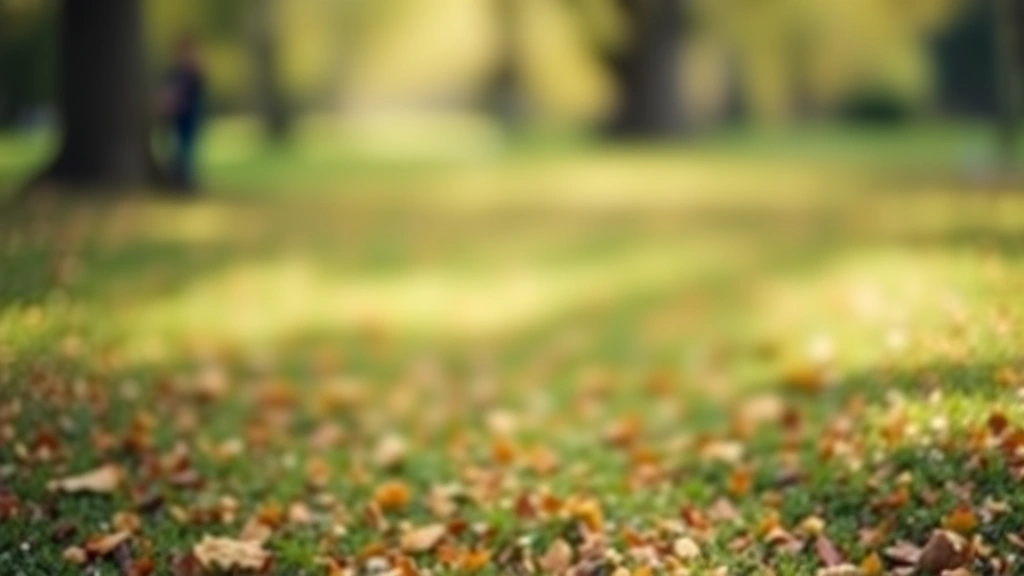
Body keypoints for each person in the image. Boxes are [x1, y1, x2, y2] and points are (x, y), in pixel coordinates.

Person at [162, 35, 205, 190]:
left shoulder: (193, 74)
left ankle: (185, 182)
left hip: (189, 116)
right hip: (177, 117)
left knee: (186, 149)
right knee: (178, 148)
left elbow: (191, 94)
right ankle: (178, 180)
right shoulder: (175, 72)